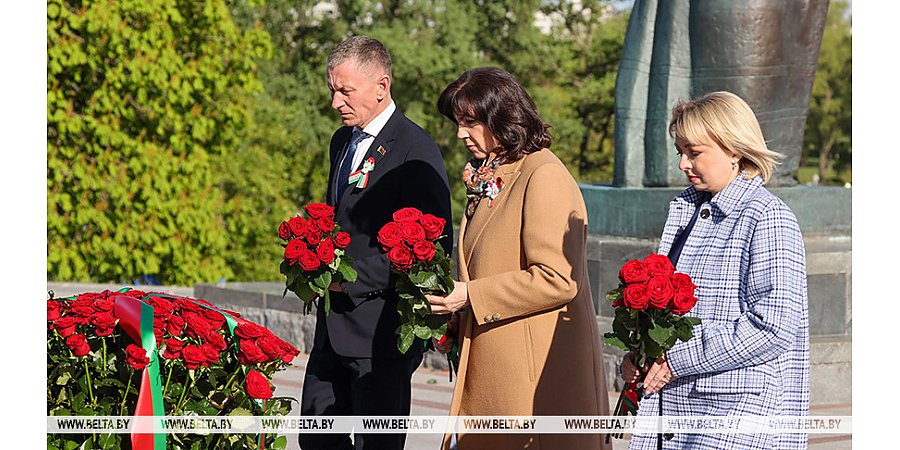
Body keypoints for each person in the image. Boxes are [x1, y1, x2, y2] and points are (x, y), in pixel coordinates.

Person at [427, 67, 611, 450]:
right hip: (497, 375)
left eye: (470, 122)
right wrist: (458, 318)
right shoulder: (498, 171)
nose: (460, 134)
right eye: (458, 122)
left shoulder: (543, 174)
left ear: (503, 117)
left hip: (532, 390)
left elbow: (557, 279)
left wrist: (471, 297)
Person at [621, 91, 810, 449]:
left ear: (734, 149)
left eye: (694, 152)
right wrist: (641, 356)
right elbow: (666, 317)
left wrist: (676, 359)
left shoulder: (766, 217)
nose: (682, 164)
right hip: (677, 413)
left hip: (734, 417)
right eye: (680, 152)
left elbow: (774, 326)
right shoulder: (686, 215)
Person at [299, 36, 453, 450]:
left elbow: (432, 251)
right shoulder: (341, 140)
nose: (335, 102)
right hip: (332, 332)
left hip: (380, 335)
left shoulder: (415, 151)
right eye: (332, 89)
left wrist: (345, 280)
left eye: (345, 91)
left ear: (381, 87)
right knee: (315, 439)